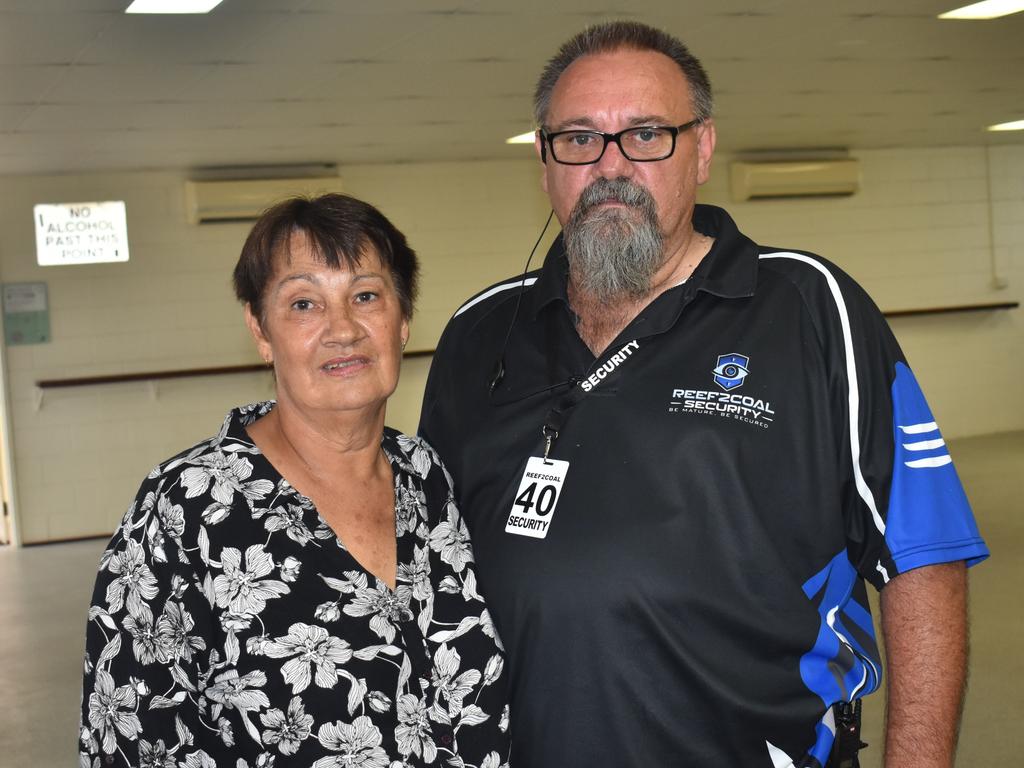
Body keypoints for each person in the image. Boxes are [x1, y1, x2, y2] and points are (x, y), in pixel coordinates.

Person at [419, 21, 988, 768]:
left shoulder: (812, 310)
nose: (611, 165)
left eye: (647, 134)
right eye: (580, 138)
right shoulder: (478, 333)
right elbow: (430, 573)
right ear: (545, 159)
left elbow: (924, 559)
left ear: (703, 149)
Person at [79, 194, 511, 768]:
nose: (343, 329)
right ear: (261, 331)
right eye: (305, 303)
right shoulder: (186, 510)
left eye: (365, 296)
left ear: (403, 320)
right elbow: (126, 742)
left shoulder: (430, 480)